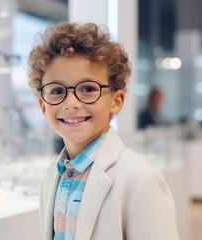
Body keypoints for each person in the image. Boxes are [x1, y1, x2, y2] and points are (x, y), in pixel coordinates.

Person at [29, 22, 179, 240]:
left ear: (116, 102)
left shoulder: (141, 180)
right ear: (43, 106)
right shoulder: (52, 175)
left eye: (88, 89)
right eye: (57, 91)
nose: (71, 103)